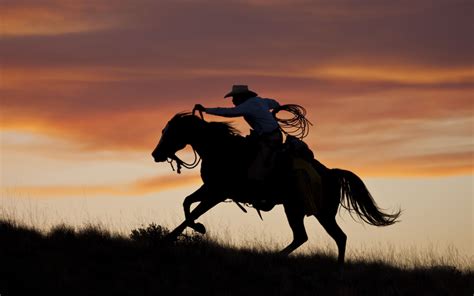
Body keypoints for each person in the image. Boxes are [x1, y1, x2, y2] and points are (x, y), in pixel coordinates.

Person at [194, 85, 283, 184]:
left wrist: (206, 110)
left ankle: (257, 184)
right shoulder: (261, 101)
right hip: (273, 135)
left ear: (241, 97)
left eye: (234, 98)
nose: (233, 101)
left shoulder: (248, 105)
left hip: (268, 138)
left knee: (255, 160)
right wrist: (275, 110)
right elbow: (275, 103)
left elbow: (229, 112)